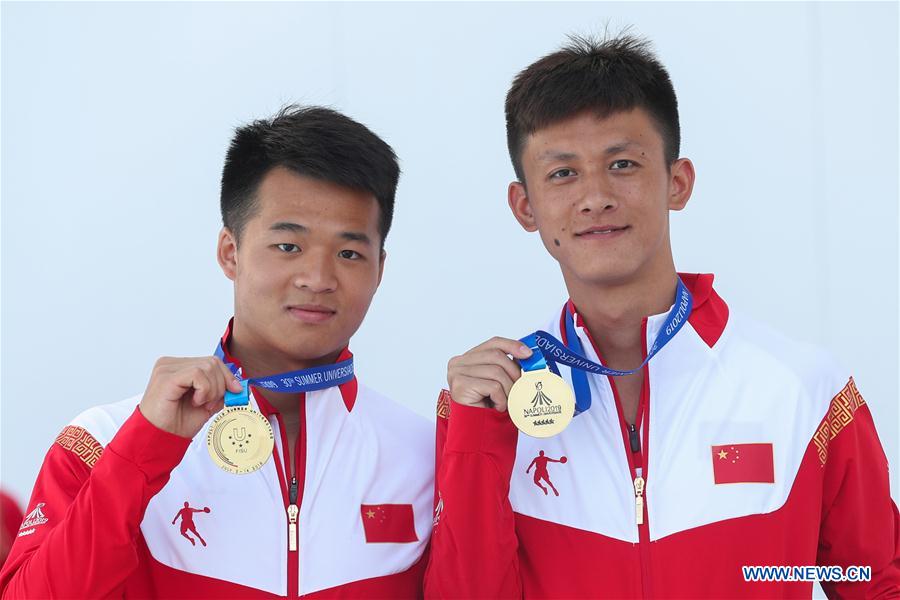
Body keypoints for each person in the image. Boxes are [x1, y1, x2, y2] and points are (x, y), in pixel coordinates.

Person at [424, 34, 899, 598]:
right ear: (525, 206)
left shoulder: (804, 391)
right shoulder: (485, 403)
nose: (596, 196)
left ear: (677, 183)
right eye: (562, 174)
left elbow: (871, 583)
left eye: (622, 164)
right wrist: (478, 437)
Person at [0, 106, 434, 598]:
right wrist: (145, 449)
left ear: (380, 268)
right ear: (230, 252)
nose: (318, 278)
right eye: (288, 246)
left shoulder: (425, 456)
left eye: (349, 252)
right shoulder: (103, 441)